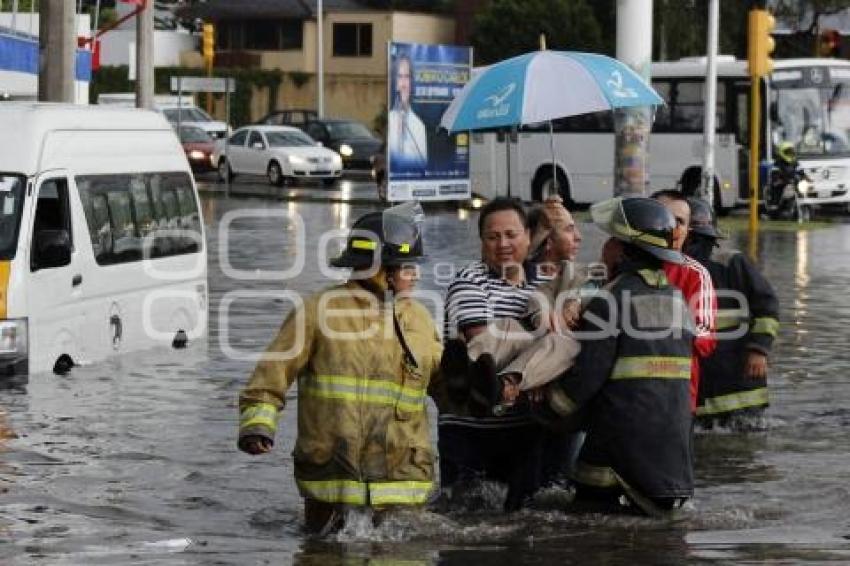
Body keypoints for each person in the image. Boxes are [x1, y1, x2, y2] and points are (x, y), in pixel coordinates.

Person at [237, 202, 443, 534]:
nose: (415, 274)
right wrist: (257, 426)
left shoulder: (418, 318)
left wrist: (477, 380)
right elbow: (270, 377)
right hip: (332, 477)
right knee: (322, 553)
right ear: (381, 270)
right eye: (407, 266)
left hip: (402, 479)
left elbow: (444, 387)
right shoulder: (319, 311)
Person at [545, 196, 696, 516]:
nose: (605, 247)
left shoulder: (609, 301)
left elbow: (587, 378)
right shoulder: (678, 301)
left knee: (585, 533)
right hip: (672, 461)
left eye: (612, 240)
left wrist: (549, 405)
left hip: (618, 457)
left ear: (625, 250)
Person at [437, 197, 554, 511]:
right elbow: (487, 346)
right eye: (492, 236)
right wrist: (540, 355)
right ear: (482, 242)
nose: (502, 244)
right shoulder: (469, 281)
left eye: (511, 235)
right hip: (469, 430)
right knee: (463, 528)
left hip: (523, 428)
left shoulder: (545, 283)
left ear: (529, 237)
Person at [684, 197, 780, 431]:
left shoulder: (731, 263)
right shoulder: (673, 269)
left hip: (739, 378)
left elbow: (767, 306)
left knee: (740, 447)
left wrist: (758, 350)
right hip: (704, 381)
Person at [651, 189, 717, 413]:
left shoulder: (695, 274)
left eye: (680, 222)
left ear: (688, 231)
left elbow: (705, 337)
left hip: (675, 398)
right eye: (666, 218)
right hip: (623, 399)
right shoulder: (618, 262)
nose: (672, 228)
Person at [388, 53, 428, 169]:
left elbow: (422, 165)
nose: (403, 84)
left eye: (407, 77)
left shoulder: (419, 125)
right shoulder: (388, 120)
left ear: (411, 83)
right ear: (394, 83)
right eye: (400, 77)